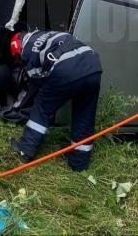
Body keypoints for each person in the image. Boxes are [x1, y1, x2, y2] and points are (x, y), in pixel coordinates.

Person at [8, 30, 102, 171]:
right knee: (84, 116)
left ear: (17, 49)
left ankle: (25, 150)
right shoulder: (46, 35)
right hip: (93, 66)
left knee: (42, 108)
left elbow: (36, 82)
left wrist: (21, 105)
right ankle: (79, 164)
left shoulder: (26, 50)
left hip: (67, 69)